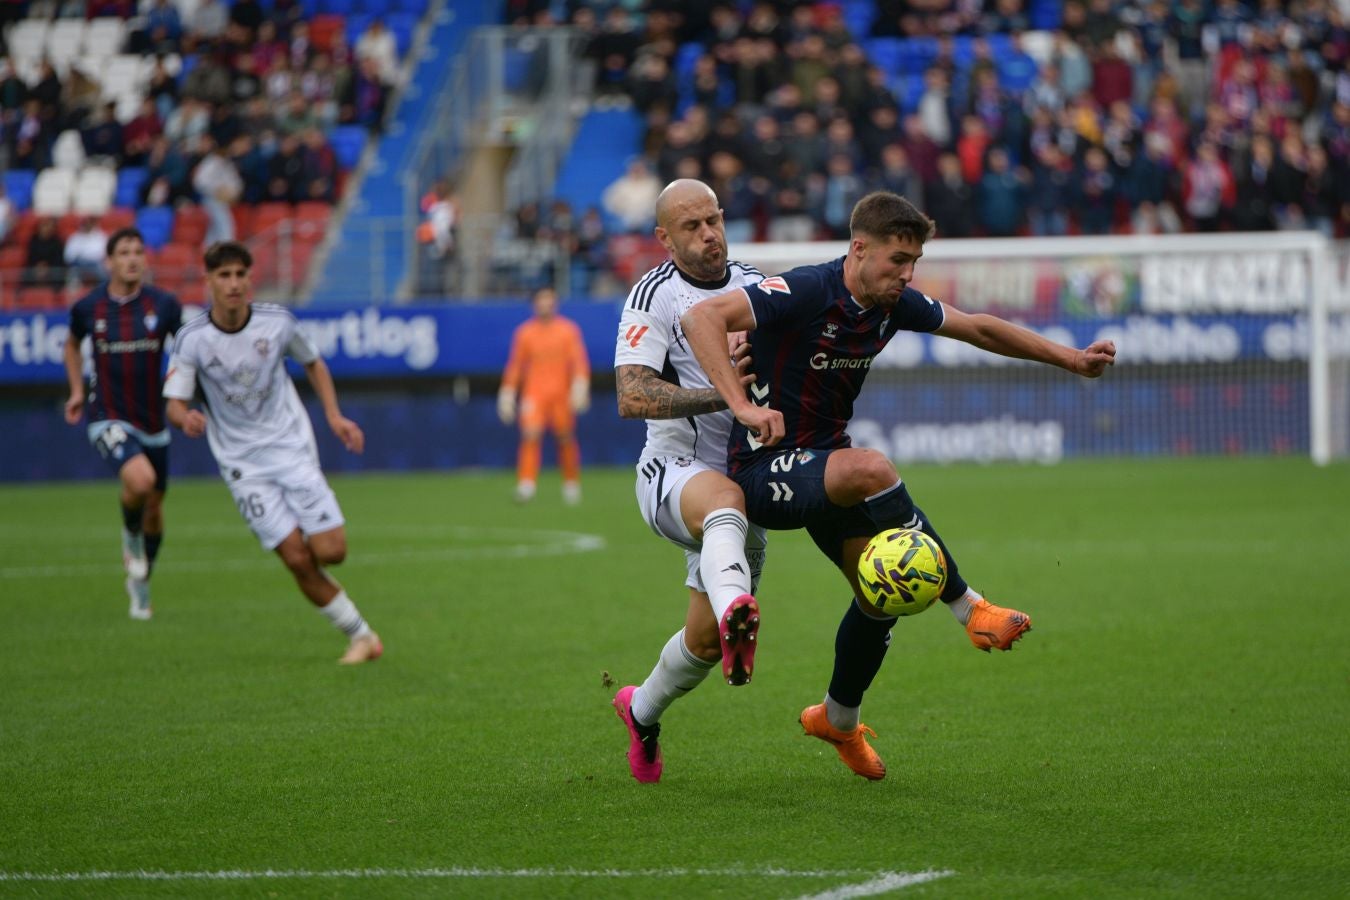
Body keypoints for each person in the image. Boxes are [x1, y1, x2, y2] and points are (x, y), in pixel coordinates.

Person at [680, 192, 1116, 780]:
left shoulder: (891, 302)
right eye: (897, 260)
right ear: (860, 249)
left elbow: (979, 328)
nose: (907, 274)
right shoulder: (808, 289)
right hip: (761, 471)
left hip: (821, 466)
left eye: (914, 262)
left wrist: (1071, 360)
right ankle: (971, 608)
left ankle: (838, 718)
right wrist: (740, 404)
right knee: (874, 468)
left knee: (884, 589)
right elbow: (700, 317)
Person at [610, 179, 768, 784]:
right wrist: (724, 395)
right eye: (692, 227)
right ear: (665, 239)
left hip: (740, 482)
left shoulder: (754, 284)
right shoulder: (654, 294)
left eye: (714, 221)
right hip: (671, 472)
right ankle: (739, 612)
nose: (709, 235)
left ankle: (640, 712)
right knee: (725, 500)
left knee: (701, 647)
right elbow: (632, 394)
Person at [163, 241, 382, 664]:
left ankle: (305, 532)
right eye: (223, 276)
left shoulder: (277, 323)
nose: (233, 284)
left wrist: (334, 417)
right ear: (208, 281)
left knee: (330, 552)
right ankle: (362, 637)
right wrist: (183, 418)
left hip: (291, 449)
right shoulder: (192, 339)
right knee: (297, 562)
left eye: (239, 275)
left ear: (250, 278)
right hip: (242, 466)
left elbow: (313, 362)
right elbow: (174, 401)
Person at [64, 227, 184, 619]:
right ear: (109, 261)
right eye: (124, 252)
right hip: (107, 415)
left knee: (155, 507)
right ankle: (130, 539)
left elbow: (185, 350)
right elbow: (70, 344)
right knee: (140, 481)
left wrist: (181, 396)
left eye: (138, 252)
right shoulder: (88, 308)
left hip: (153, 420)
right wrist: (77, 390)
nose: (132, 259)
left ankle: (142, 582)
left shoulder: (164, 305)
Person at [497, 286, 590, 505]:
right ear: (535, 304)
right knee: (530, 434)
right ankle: (526, 485)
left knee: (565, 436)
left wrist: (580, 386)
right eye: (541, 300)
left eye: (549, 300)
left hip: (561, 393)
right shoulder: (525, 333)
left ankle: (571, 483)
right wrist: (508, 392)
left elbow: (578, 362)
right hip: (535, 393)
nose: (546, 304)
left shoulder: (568, 330)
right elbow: (516, 366)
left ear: (555, 303)